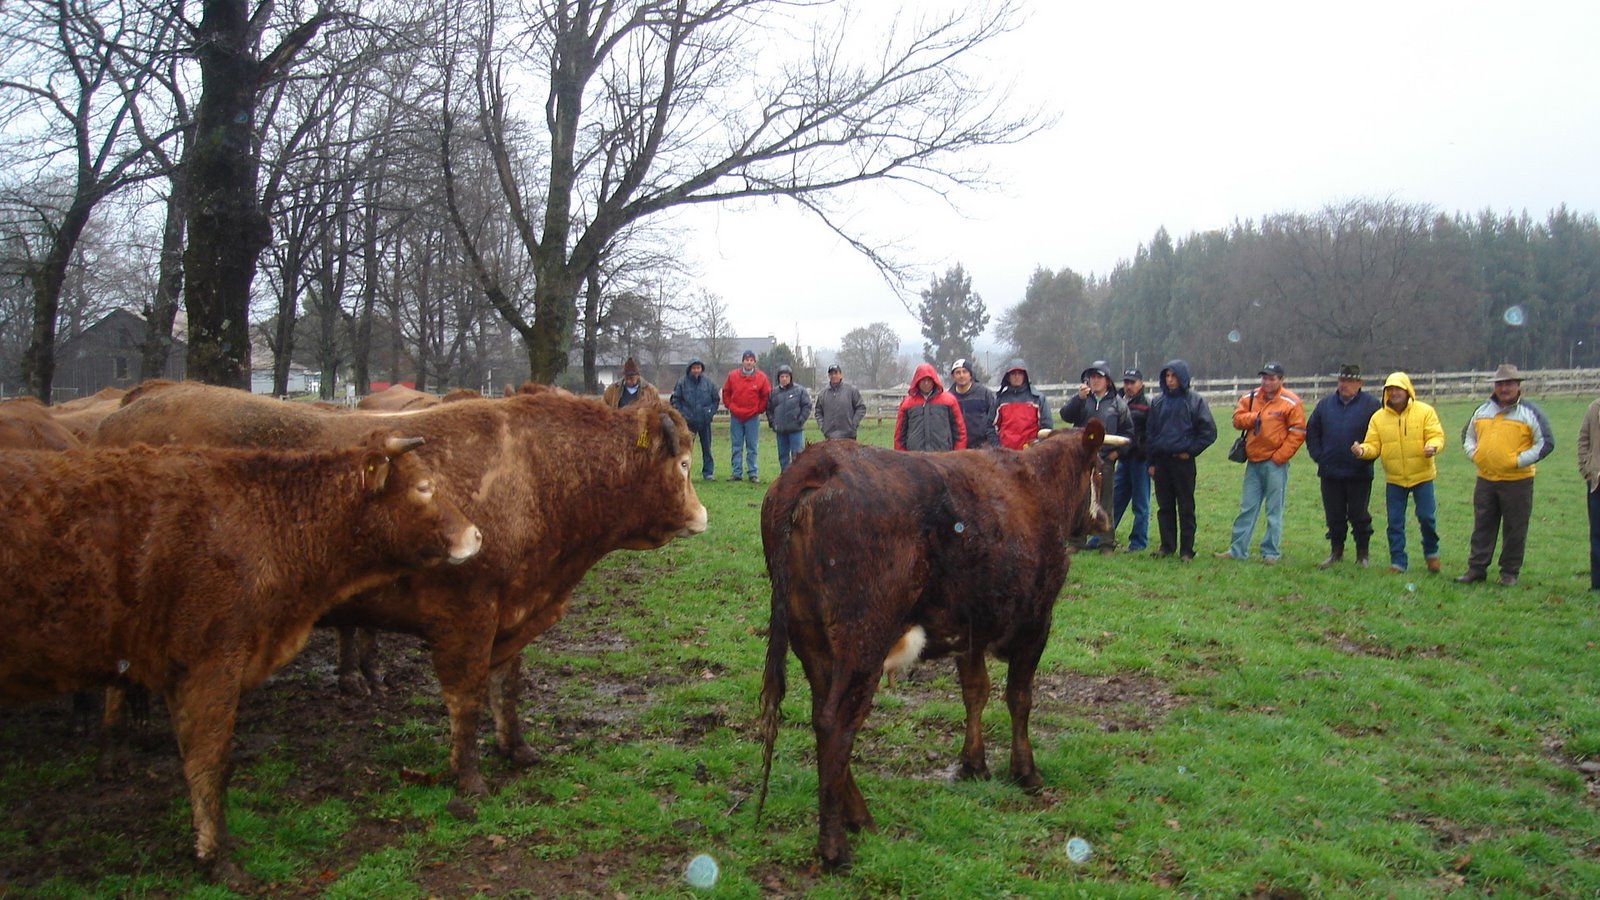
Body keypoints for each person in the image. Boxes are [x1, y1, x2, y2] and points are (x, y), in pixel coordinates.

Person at [1456, 364, 1554, 586]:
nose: (1504, 388)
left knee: (1515, 529)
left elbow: (1546, 443)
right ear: (1494, 386)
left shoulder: (1530, 412)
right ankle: (1476, 569)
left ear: (1518, 386)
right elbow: (1467, 435)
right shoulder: (1482, 410)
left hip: (1518, 482)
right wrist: (1475, 454)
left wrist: (1517, 461)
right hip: (1486, 479)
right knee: (1482, 526)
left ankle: (1509, 573)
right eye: (1500, 384)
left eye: (1509, 384)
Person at [1351, 372, 1444, 575]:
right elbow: (1373, 445)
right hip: (1394, 479)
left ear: (1407, 390)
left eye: (1398, 389)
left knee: (1426, 517)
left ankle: (1431, 553)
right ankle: (1398, 562)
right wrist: (1362, 451)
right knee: (1394, 522)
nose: (1394, 393)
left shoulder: (1425, 411)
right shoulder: (1378, 418)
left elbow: (1436, 435)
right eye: (1390, 389)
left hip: (1422, 476)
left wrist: (1433, 446)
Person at [1215, 362, 1306, 564]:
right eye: (1264, 378)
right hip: (1253, 461)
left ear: (1281, 380)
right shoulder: (1250, 397)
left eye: (1272, 378)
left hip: (1275, 464)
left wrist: (1280, 457)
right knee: (1247, 507)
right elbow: (1236, 419)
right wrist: (1254, 417)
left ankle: (1271, 552)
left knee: (1274, 510)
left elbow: (1298, 432)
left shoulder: (1291, 402)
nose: (1267, 382)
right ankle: (1237, 549)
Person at [1305, 364, 1382, 568]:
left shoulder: (1372, 405)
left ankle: (1362, 555)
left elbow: (1380, 437)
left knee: (1359, 514)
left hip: (1359, 472)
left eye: (1348, 381)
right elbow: (1312, 431)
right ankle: (1336, 552)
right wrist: (1319, 456)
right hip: (1330, 471)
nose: (1343, 385)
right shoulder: (1325, 405)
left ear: (1359, 383)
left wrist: (1366, 457)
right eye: (1341, 380)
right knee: (1334, 515)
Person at [1144, 359, 1217, 562]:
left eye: (1174, 376)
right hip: (1162, 461)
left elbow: (1209, 432)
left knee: (1186, 507)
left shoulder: (1195, 401)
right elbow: (1151, 434)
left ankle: (1186, 550)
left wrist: (1191, 451)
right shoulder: (1157, 402)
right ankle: (1167, 546)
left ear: (1182, 377)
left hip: (1183, 462)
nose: (1170, 380)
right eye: (1167, 376)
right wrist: (1151, 463)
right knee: (1164, 507)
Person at [1059, 360, 1133, 550]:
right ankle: (1076, 541)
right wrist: (1078, 399)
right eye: (1092, 377)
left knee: (1105, 501)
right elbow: (1065, 415)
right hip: (1082, 460)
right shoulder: (1082, 399)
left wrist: (1116, 453)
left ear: (1107, 380)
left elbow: (1128, 432)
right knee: (1080, 500)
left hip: (1105, 460)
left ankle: (1106, 543)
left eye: (1099, 377)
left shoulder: (1118, 404)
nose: (1095, 380)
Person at [1112, 368, 1153, 553]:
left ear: (1141, 384)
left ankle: (1138, 542)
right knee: (1115, 500)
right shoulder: (1117, 401)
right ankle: (1103, 536)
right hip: (1123, 458)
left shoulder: (1148, 404)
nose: (1128, 386)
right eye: (1126, 382)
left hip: (1139, 459)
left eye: (1132, 382)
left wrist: (1145, 452)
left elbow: (1152, 432)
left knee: (1140, 503)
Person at [721, 350, 772, 483]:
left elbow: (766, 395)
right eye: (746, 360)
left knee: (752, 447)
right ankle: (736, 472)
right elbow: (726, 392)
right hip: (736, 417)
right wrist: (730, 406)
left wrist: (759, 409)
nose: (749, 362)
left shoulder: (761, 378)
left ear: (754, 362)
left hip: (752, 417)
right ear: (742, 361)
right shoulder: (732, 376)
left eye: (751, 360)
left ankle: (752, 473)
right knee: (736, 446)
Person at [894, 362, 966, 451]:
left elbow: (959, 432)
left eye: (929, 380)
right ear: (917, 381)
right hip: (914, 455)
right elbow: (899, 435)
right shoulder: (907, 403)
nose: (926, 383)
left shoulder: (949, 401)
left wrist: (957, 454)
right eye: (923, 380)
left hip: (943, 455)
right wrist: (901, 455)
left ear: (934, 380)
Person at [669, 357, 720, 481]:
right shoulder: (682, 383)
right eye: (694, 368)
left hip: (704, 422)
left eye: (698, 368)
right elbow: (675, 400)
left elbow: (716, 399)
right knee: (685, 450)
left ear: (702, 369)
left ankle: (708, 472)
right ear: (689, 369)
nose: (696, 370)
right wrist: (682, 415)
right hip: (688, 423)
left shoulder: (708, 383)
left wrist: (709, 413)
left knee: (707, 449)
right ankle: (684, 472)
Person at [992, 359, 1052, 450]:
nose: (1017, 377)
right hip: (1005, 454)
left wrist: (1036, 446)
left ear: (1025, 376)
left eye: (1020, 373)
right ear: (1008, 377)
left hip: (1031, 452)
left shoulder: (1038, 399)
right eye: (1013, 374)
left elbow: (1046, 428)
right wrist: (998, 448)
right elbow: (991, 427)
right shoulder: (1000, 400)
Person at [766, 364, 812, 472]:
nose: (784, 379)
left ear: (790, 377)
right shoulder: (773, 393)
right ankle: (785, 476)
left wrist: (801, 420)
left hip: (795, 429)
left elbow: (807, 406)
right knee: (783, 456)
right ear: (778, 378)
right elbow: (769, 409)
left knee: (798, 456)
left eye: (786, 376)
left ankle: (798, 477)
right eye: (782, 377)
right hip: (780, 430)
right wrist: (773, 422)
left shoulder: (800, 390)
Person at [948, 358, 997, 448]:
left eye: (964, 372)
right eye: (958, 372)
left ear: (970, 375)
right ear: (953, 376)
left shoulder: (984, 393)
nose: (961, 375)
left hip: (982, 447)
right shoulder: (949, 398)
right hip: (957, 449)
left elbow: (993, 420)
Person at [1578, 395, 1600, 591]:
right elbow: (1583, 439)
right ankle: (1597, 584)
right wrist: (1587, 468)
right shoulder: (1595, 408)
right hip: (1597, 481)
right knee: (1597, 534)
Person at [814, 364, 866, 440]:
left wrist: (853, 424)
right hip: (830, 437)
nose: (833, 376)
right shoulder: (823, 394)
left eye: (836, 373)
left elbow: (861, 408)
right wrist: (823, 426)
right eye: (831, 374)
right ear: (829, 376)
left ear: (841, 375)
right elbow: (818, 412)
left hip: (849, 436)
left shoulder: (851, 390)